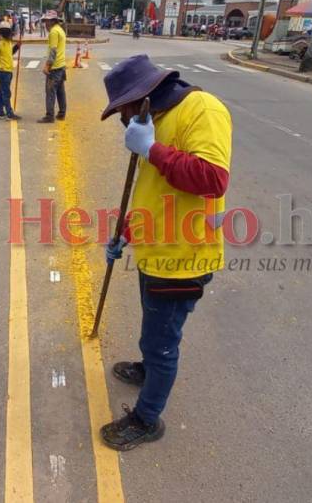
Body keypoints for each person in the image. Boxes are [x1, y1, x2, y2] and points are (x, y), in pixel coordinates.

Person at [99, 54, 232, 451]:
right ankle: (148, 367)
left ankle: (146, 418)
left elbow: (213, 179)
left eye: (121, 110)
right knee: (154, 328)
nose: (122, 120)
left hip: (183, 258)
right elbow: (152, 190)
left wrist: (152, 149)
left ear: (143, 96)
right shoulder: (151, 122)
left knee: (162, 341)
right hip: (157, 251)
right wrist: (125, 232)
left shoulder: (202, 109)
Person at [0, 21, 21, 121]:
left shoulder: (8, 41)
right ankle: (9, 113)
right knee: (6, 92)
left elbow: (10, 53)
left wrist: (17, 47)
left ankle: (0, 112)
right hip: (2, 71)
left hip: (8, 70)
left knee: (2, 92)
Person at [37, 10, 67, 124]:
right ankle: (62, 113)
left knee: (50, 91)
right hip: (61, 65)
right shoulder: (60, 30)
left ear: (52, 21)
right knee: (60, 91)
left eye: (47, 21)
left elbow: (53, 51)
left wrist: (47, 66)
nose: (45, 24)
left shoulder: (54, 32)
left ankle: (50, 116)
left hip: (55, 66)